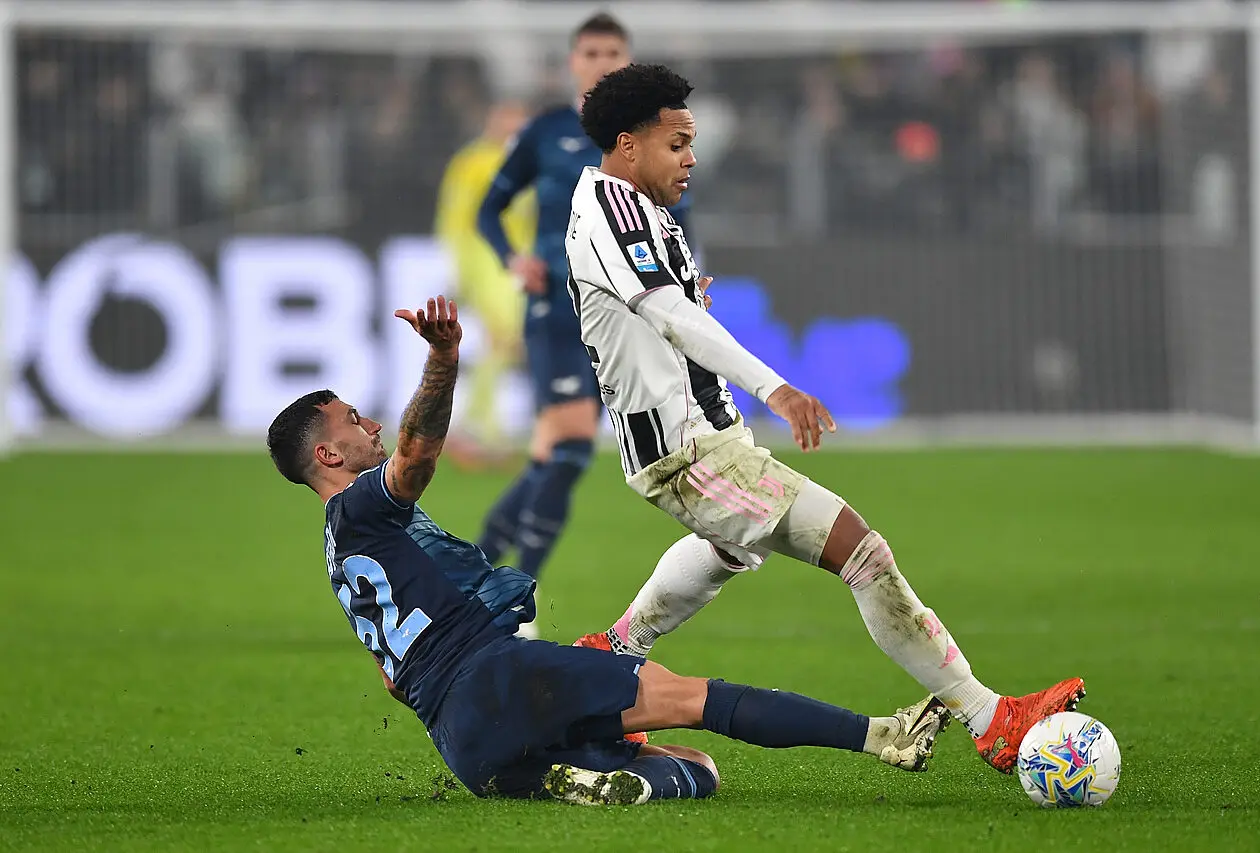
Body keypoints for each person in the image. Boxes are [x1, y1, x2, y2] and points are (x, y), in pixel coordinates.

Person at [562, 64, 1085, 774]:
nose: (691, 158)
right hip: (687, 456)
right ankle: (991, 718)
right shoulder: (613, 211)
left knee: (728, 550)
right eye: (676, 142)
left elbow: (665, 312)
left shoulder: (641, 213)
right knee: (861, 551)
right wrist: (774, 386)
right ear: (628, 145)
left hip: (702, 441)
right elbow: (667, 313)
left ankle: (614, 655)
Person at [266, 296, 950, 805]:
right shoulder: (360, 505)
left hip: (464, 745)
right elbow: (417, 454)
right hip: (497, 678)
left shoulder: (342, 554)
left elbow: (394, 676)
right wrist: (444, 358)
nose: (371, 423)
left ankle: (578, 775)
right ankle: (883, 734)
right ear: (326, 453)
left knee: (694, 770)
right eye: (354, 421)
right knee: (694, 699)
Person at [474, 14, 694, 630]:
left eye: (612, 52)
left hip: (621, 310)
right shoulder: (545, 131)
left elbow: (680, 213)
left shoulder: (649, 138)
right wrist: (512, 260)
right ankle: (519, 599)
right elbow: (489, 209)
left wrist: (689, 276)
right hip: (555, 305)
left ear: (626, 60)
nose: (600, 61)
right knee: (568, 445)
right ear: (574, 62)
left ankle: (475, 573)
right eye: (590, 52)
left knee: (557, 456)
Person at [435, 100, 536, 462]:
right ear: (493, 121)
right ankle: (485, 432)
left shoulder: (526, 163)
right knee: (503, 338)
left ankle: (466, 428)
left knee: (504, 345)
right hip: (482, 260)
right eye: (508, 120)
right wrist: (458, 270)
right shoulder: (472, 163)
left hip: (515, 263)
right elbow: (453, 218)